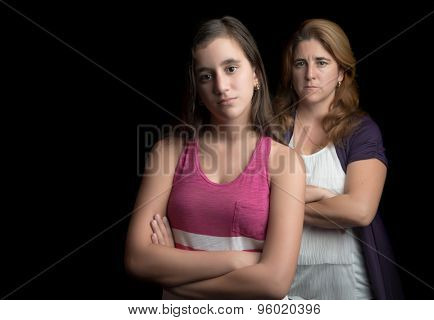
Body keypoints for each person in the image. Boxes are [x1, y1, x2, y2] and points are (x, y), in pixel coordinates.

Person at [124, 16, 305, 299]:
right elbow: (138, 259)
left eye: (231, 68)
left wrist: (176, 278)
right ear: (197, 87)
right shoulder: (169, 153)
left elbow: (273, 283)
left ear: (256, 74)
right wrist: (236, 260)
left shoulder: (285, 163)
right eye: (206, 76)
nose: (221, 86)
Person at [273, 18, 403, 299]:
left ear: (342, 72)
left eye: (321, 62)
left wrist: (282, 202)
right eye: (300, 64)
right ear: (291, 73)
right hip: (284, 286)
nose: (310, 74)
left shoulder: (361, 130)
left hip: (348, 288)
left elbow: (359, 210)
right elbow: (245, 201)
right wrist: (322, 198)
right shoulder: (271, 131)